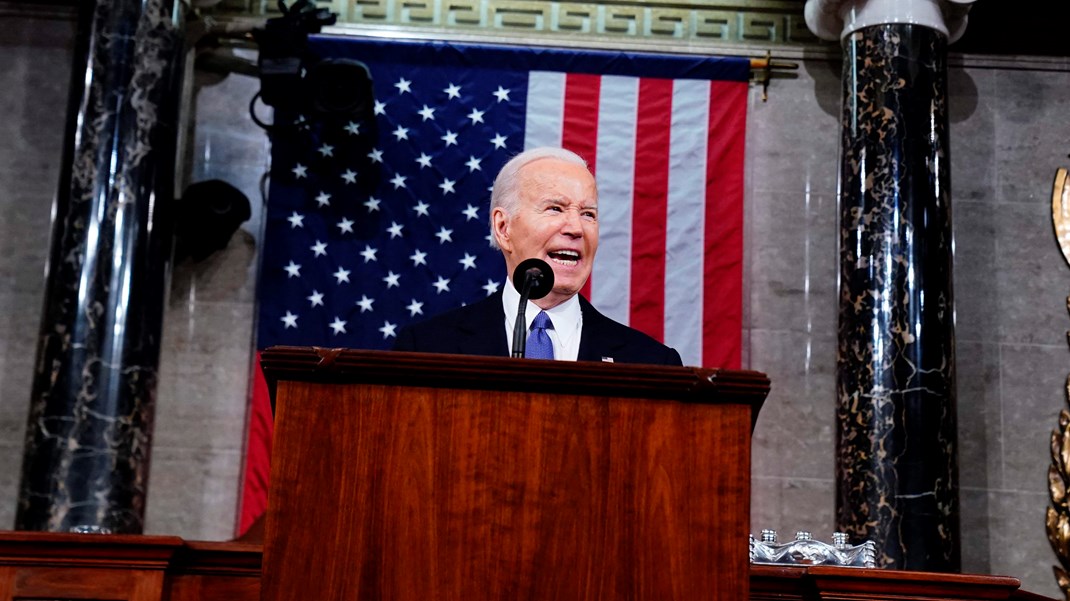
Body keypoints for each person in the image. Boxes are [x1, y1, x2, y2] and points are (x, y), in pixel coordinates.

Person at [392, 147, 682, 366]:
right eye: (555, 209)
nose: (576, 228)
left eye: (588, 214)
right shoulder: (427, 349)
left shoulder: (651, 362)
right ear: (503, 227)